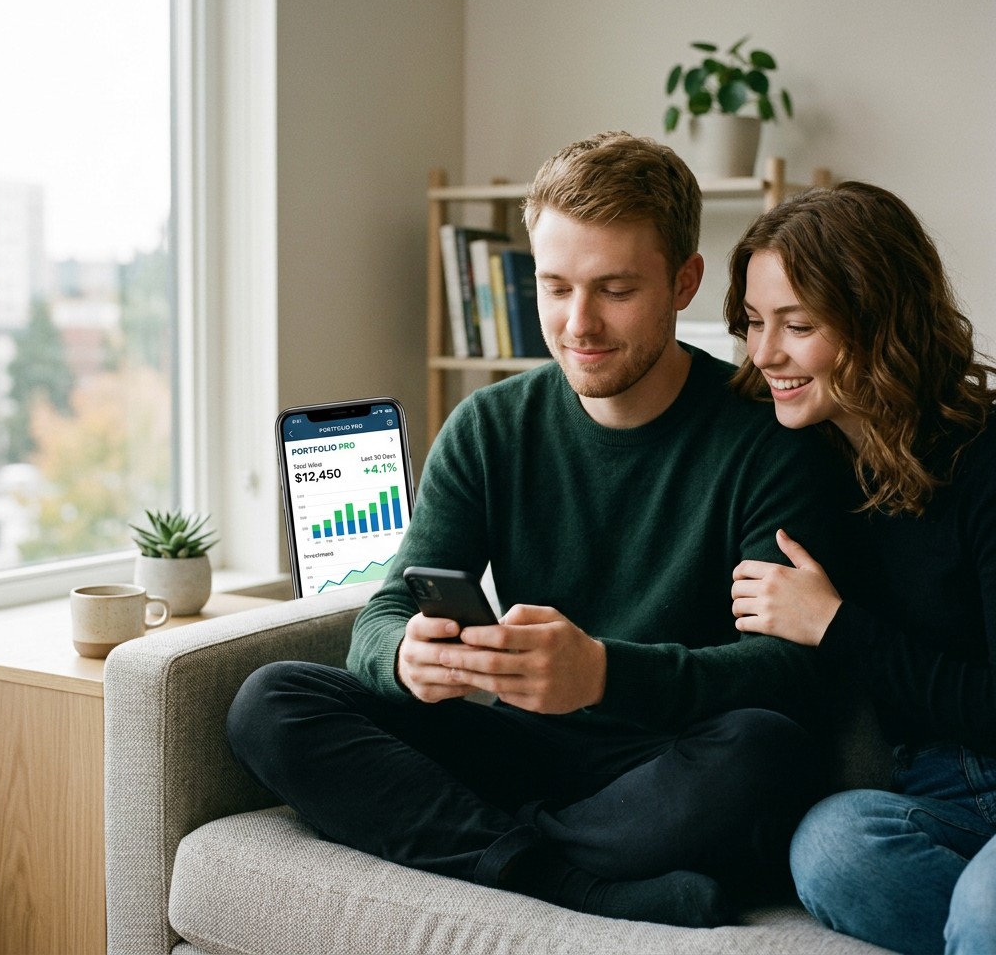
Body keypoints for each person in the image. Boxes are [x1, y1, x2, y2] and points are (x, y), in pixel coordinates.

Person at [227, 131, 854, 928]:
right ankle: (567, 884)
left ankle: (488, 852)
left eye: (615, 289)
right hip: (515, 744)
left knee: (767, 749)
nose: (578, 324)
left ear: (684, 282)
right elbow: (383, 615)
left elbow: (791, 671)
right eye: (554, 288)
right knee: (272, 701)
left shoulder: (770, 440)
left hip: (664, 756)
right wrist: (405, 657)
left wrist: (603, 674)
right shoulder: (488, 425)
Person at [725, 180, 996, 955]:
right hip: (940, 793)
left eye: (797, 325)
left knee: (984, 914)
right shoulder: (804, 463)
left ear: (879, 322)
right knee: (834, 850)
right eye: (752, 323)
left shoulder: (985, 463)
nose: (764, 352)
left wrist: (835, 626)